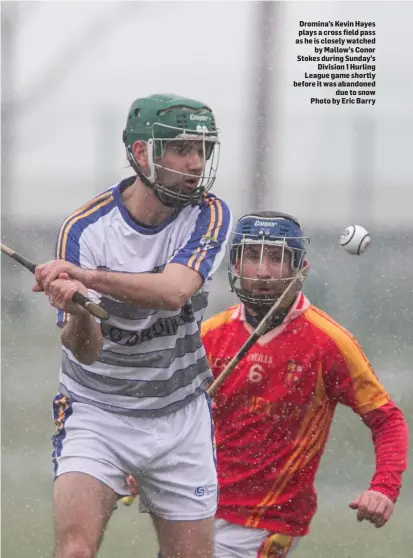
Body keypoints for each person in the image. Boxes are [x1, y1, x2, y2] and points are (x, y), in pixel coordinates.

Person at [32, 93, 232, 558]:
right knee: (75, 551)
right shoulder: (85, 230)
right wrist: (80, 308)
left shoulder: (208, 213)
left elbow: (174, 290)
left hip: (179, 414)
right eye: (181, 148)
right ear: (142, 153)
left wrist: (86, 278)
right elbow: (86, 350)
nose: (196, 162)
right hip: (97, 412)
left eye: (203, 149)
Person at [200, 210, 408, 558]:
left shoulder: (328, 342)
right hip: (195, 509)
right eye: (252, 256)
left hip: (264, 526)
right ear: (234, 265)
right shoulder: (211, 334)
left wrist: (383, 488)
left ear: (301, 269)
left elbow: (387, 419)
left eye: (277, 257)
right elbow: (177, 415)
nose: (263, 271)